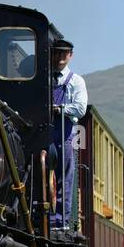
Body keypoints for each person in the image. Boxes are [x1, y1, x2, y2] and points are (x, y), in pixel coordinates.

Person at [50, 38, 87, 230]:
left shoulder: (76, 81)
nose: (59, 57)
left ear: (70, 55)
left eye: (63, 54)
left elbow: (80, 109)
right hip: (46, 131)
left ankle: (60, 220)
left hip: (65, 133)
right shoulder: (44, 79)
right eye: (56, 53)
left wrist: (60, 108)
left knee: (64, 178)